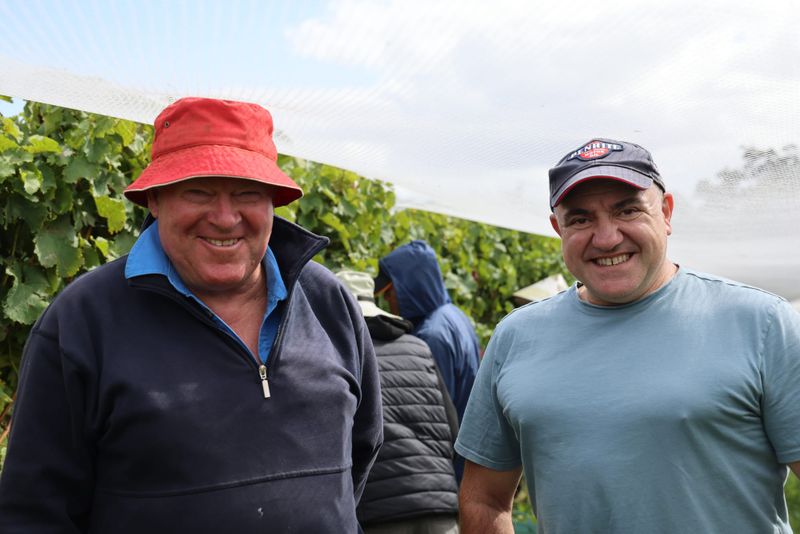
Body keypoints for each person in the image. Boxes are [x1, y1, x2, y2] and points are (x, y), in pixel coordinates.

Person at [0, 97, 383, 533]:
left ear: (273, 203)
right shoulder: (83, 319)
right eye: (198, 191)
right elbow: (32, 511)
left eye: (247, 193)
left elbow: (359, 455)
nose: (224, 217)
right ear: (155, 200)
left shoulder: (327, 301)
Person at [455, 138, 800, 533]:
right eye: (581, 219)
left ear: (666, 212)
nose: (606, 238)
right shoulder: (516, 337)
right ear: (558, 228)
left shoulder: (760, 322)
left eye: (628, 210)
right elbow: (483, 499)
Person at [336, 270, 459, 534]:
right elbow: (453, 429)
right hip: (440, 505)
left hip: (380, 512)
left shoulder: (342, 357)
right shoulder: (419, 347)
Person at [375, 241, 481, 482]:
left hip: (447, 469)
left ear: (408, 289)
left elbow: (433, 416)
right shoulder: (454, 317)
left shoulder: (431, 336)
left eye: (391, 294)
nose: (390, 303)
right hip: (466, 459)